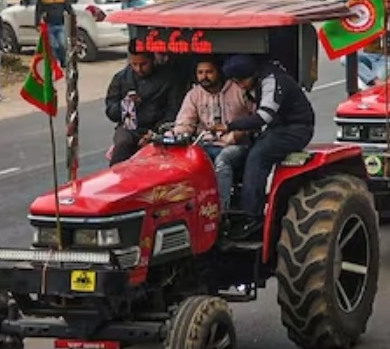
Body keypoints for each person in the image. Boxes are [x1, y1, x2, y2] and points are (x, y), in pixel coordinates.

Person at [218, 55, 317, 236]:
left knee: (259, 156)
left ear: (251, 75)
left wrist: (230, 126)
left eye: (240, 81)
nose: (239, 86)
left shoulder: (272, 80)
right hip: (276, 128)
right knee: (244, 152)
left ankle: (253, 217)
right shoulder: (259, 78)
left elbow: (264, 116)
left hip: (296, 129)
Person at [173, 58, 254, 212]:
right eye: (200, 73)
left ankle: (221, 211)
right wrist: (176, 134)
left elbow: (255, 117)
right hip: (206, 144)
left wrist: (239, 133)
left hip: (236, 145)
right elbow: (184, 123)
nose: (204, 77)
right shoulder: (194, 94)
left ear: (219, 72)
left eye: (209, 72)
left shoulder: (238, 89)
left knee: (223, 160)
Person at [104, 52, 184, 165]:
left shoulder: (168, 79)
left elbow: (173, 111)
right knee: (123, 142)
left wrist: (155, 134)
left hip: (158, 127)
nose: (139, 69)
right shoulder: (121, 78)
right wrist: (125, 104)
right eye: (134, 64)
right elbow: (111, 112)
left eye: (143, 64)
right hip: (130, 127)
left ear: (152, 60)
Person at [35, 0, 75, 66]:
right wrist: (37, 24)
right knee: (53, 46)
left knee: (62, 44)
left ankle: (62, 60)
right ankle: (54, 62)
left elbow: (69, 9)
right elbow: (38, 12)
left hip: (60, 25)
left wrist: (72, 19)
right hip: (49, 25)